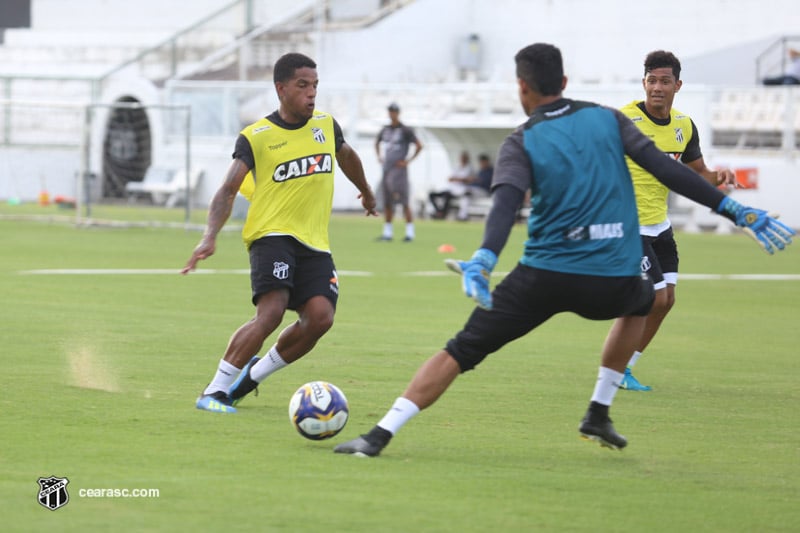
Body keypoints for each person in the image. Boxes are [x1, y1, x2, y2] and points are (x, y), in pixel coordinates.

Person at [333, 42, 794, 456]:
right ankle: (598, 408)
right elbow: (667, 169)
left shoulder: (521, 140)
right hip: (608, 273)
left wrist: (485, 259)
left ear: (521, 87)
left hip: (541, 276)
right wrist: (736, 211)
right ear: (566, 83)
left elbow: (505, 206)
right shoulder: (607, 119)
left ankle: (379, 435)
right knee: (645, 301)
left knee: (460, 350)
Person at [182, 52, 378, 414]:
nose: (311, 93)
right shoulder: (256, 137)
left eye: (315, 86)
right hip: (271, 234)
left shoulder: (326, 126)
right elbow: (227, 190)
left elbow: (346, 156)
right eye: (303, 86)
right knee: (270, 313)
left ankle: (251, 377)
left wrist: (365, 190)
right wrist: (209, 236)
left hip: (314, 242)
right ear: (281, 88)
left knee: (320, 318)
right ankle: (213, 390)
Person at [618, 50, 739, 391]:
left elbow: (699, 174)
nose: (657, 87)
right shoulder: (624, 120)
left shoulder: (684, 127)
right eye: (651, 80)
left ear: (678, 85)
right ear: (643, 83)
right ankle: (613, 367)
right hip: (630, 227)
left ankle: (625, 368)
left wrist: (720, 176)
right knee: (653, 298)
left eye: (664, 81)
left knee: (666, 302)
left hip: (660, 226)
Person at [375, 102, 423, 241]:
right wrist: (379, 157)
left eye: (394, 111)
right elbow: (376, 142)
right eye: (390, 111)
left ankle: (409, 232)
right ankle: (387, 232)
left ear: (398, 113)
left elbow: (419, 145)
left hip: (399, 170)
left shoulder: (405, 130)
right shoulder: (385, 129)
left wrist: (408, 160)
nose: (392, 114)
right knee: (387, 201)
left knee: (404, 199)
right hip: (387, 169)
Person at [428, 150, 474, 220]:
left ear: (467, 159)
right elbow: (449, 179)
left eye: (464, 158)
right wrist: (459, 179)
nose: (462, 159)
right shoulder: (456, 167)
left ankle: (442, 214)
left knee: (447, 196)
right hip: (450, 189)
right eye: (461, 158)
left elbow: (466, 180)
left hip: (460, 190)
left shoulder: (469, 169)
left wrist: (456, 179)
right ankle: (439, 211)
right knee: (432, 194)